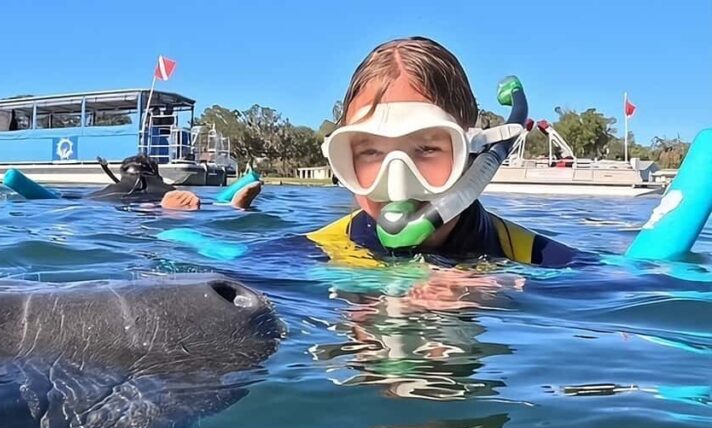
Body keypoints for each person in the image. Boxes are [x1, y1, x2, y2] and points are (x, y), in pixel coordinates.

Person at [161, 36, 586, 268]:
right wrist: (171, 223)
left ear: (472, 156)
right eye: (367, 153)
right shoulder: (320, 252)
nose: (395, 180)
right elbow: (218, 260)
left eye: (426, 148)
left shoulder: (526, 256)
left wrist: (508, 295)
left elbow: (626, 285)